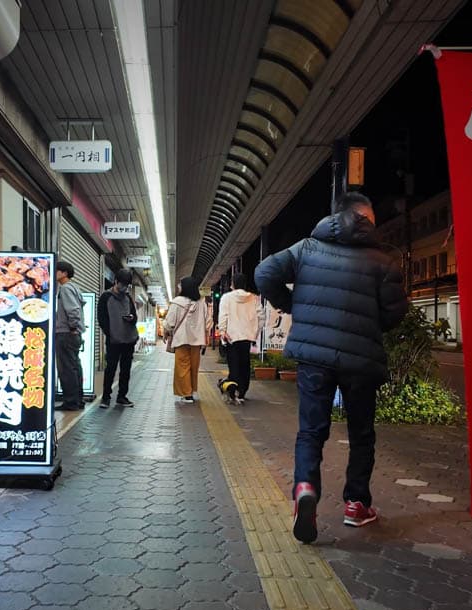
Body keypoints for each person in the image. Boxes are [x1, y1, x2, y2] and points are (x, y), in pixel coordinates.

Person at [255, 192, 407, 542]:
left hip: (315, 358)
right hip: (360, 358)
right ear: (364, 218)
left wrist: (296, 306)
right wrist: (371, 324)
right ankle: (356, 503)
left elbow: (264, 273)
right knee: (361, 434)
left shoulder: (307, 248)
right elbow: (396, 311)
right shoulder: (381, 260)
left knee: (311, 431)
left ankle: (306, 487)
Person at [218, 273, 264, 404]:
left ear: (232, 284)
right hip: (247, 337)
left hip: (231, 337)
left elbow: (223, 316)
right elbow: (261, 317)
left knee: (234, 365)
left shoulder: (226, 298)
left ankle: (233, 391)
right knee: (245, 364)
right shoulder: (254, 298)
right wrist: (254, 332)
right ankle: (242, 391)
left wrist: (223, 331)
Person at [163, 276, 209, 403]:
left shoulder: (177, 302)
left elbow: (170, 322)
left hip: (182, 340)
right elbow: (207, 321)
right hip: (197, 341)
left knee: (182, 367)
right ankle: (191, 391)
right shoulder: (202, 303)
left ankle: (186, 393)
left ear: (185, 287)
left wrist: (166, 330)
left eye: (180, 285)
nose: (178, 287)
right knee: (194, 367)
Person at [98, 269, 139, 408]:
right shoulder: (106, 297)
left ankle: (122, 396)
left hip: (129, 339)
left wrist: (132, 318)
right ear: (116, 281)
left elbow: (135, 317)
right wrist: (110, 333)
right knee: (110, 369)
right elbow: (101, 318)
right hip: (113, 340)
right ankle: (105, 397)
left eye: (127, 285)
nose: (124, 287)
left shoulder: (128, 298)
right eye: (122, 284)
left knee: (126, 370)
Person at [53, 261, 85, 411]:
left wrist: (72, 327)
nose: (54, 272)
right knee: (74, 367)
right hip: (72, 334)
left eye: (57, 270)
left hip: (66, 333)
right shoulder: (74, 288)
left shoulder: (65, 289)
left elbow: (73, 310)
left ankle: (71, 402)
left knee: (66, 369)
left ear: (64, 273)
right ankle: (78, 400)